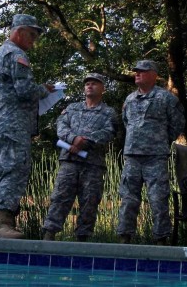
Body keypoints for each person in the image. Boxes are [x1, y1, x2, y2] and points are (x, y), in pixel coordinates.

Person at [0, 14, 54, 239]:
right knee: (14, 169)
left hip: (1, 123)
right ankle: (2, 223)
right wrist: (45, 90)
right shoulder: (16, 54)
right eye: (32, 35)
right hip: (13, 123)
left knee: (2, 172)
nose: (33, 41)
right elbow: (25, 91)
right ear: (19, 31)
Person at [42, 73, 118, 242]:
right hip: (69, 161)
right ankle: (48, 237)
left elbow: (108, 132)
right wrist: (73, 139)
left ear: (103, 88)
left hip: (93, 164)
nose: (90, 86)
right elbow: (61, 126)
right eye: (87, 84)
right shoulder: (72, 108)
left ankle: (82, 241)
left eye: (94, 83)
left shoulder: (108, 112)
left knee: (89, 202)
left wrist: (85, 141)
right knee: (60, 198)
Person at [117, 60, 185, 245]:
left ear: (154, 75)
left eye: (142, 71)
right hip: (132, 157)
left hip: (155, 157)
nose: (137, 74)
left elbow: (178, 123)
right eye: (136, 72)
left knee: (158, 199)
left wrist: (160, 140)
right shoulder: (130, 99)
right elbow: (126, 123)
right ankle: (124, 238)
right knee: (128, 199)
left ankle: (161, 240)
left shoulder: (166, 98)